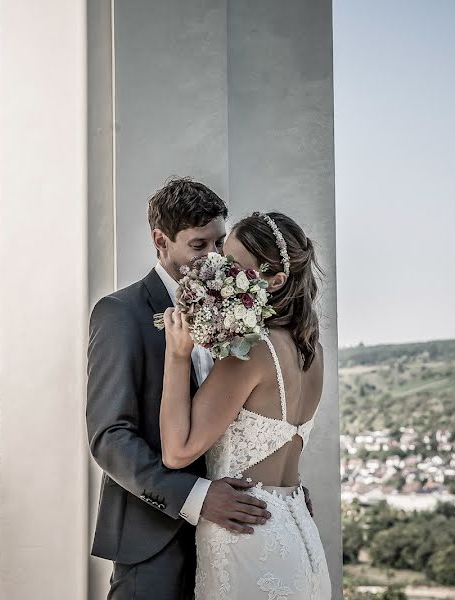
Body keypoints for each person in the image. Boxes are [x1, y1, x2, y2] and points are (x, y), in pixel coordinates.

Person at [86, 179, 313, 600]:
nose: (213, 259)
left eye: (219, 243)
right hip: (154, 541)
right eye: (198, 246)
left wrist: (283, 497)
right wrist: (197, 497)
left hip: (238, 540)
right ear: (161, 240)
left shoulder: (248, 316)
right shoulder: (121, 314)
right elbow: (109, 437)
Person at [160, 211, 331, 599]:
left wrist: (178, 355)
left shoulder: (252, 350)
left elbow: (177, 450)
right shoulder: (313, 351)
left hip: (248, 544)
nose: (219, 275)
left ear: (275, 280)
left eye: (235, 268)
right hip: (300, 538)